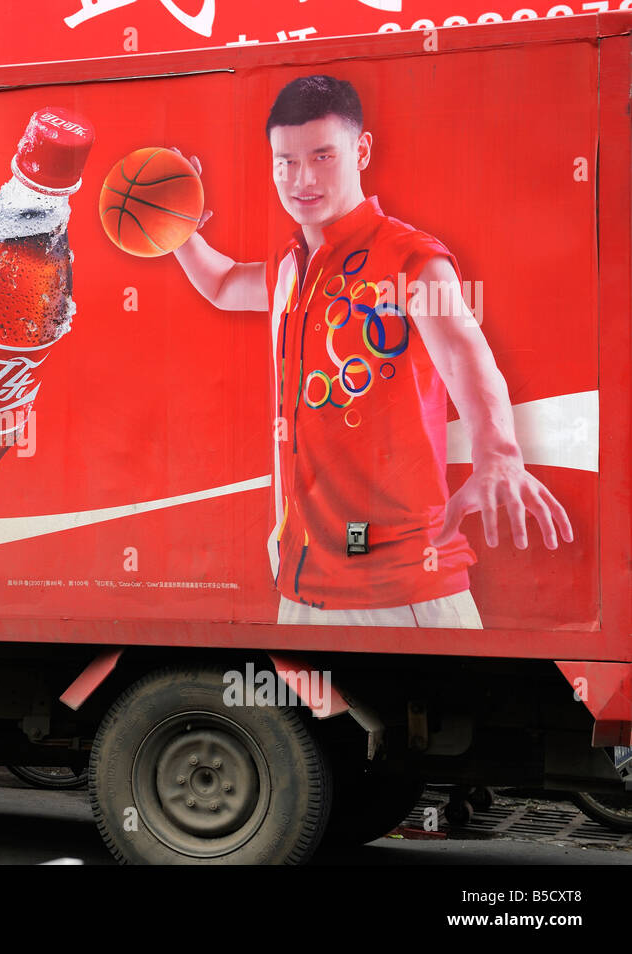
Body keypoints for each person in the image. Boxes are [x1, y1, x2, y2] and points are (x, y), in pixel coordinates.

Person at [173, 74, 572, 627]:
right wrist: (178, 229)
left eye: (321, 155)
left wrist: (498, 450)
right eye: (284, 161)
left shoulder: (411, 257)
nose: (301, 178)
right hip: (304, 584)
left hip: (405, 590)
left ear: (361, 151)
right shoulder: (291, 267)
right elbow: (220, 286)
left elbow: (463, 352)